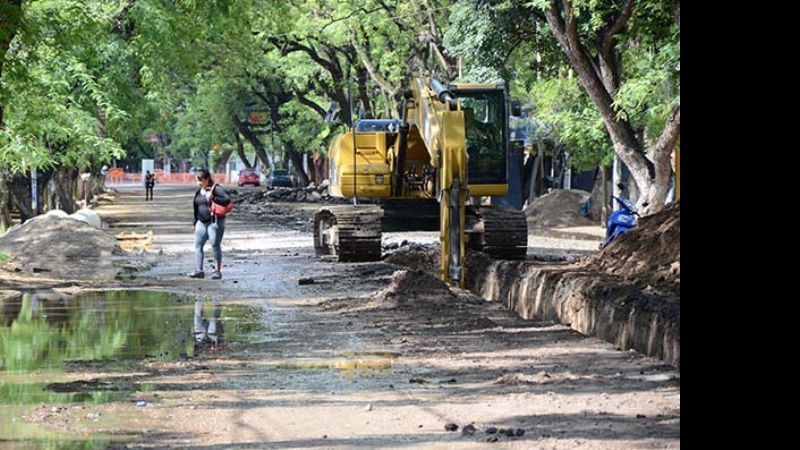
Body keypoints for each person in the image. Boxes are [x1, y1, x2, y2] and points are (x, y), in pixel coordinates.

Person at [189, 169, 231, 280]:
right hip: (201, 222)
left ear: (207, 179)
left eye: (200, 180)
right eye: (197, 180)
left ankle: (217, 271)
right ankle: (199, 270)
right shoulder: (199, 192)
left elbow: (227, 200)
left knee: (215, 245)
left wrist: (214, 198)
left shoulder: (216, 189)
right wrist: (194, 222)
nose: (198, 183)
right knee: (198, 246)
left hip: (214, 222)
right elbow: (196, 208)